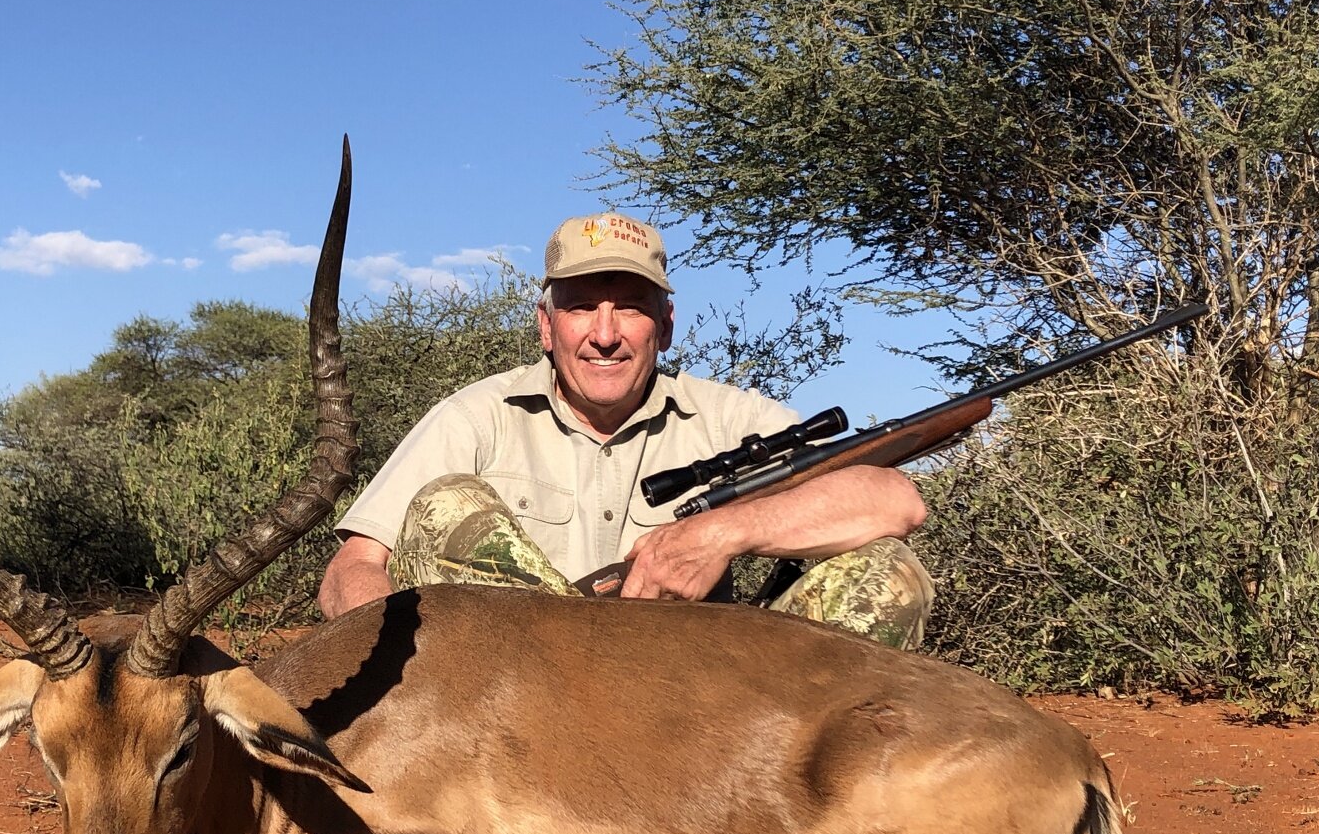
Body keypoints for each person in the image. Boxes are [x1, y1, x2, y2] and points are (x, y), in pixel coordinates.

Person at [319, 211, 931, 645]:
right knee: (447, 502)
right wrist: (403, 667)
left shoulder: (730, 418)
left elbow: (893, 500)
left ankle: (789, 803)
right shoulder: (475, 415)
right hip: (516, 699)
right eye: (582, 305)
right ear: (546, 324)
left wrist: (721, 533)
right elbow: (353, 567)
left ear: (664, 325)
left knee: (886, 570)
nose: (605, 334)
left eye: (630, 307)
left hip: (696, 692)